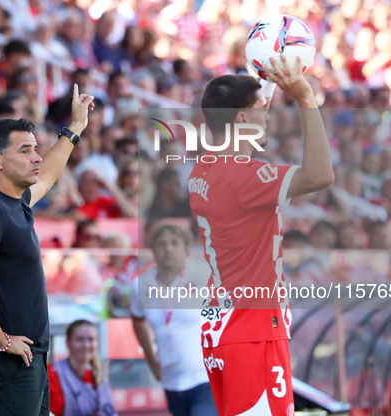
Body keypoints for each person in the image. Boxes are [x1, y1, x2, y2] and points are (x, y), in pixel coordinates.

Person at [188, 56, 334, 416]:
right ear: (241, 119)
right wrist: (304, 97)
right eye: (261, 110)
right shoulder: (245, 177)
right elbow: (320, 175)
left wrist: (264, 84)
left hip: (222, 329)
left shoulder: (204, 167)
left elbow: (241, 117)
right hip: (253, 330)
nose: (267, 116)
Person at [0, 84, 94, 416]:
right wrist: (1, 338)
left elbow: (46, 178)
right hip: (7, 362)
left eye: (35, 149)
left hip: (28, 359)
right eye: (26, 150)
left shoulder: (15, 201)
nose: (36, 157)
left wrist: (75, 128)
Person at [131, 225, 217, 416]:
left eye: (174, 243)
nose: (168, 249)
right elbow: (137, 319)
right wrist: (151, 360)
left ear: (186, 249)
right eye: (161, 244)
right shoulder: (141, 284)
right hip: (171, 381)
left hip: (206, 377)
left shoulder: (205, 275)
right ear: (152, 250)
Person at [48, 320, 118, 416]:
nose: (86, 345)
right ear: (68, 342)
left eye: (91, 339)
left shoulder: (98, 376)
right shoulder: (52, 373)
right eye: (80, 339)